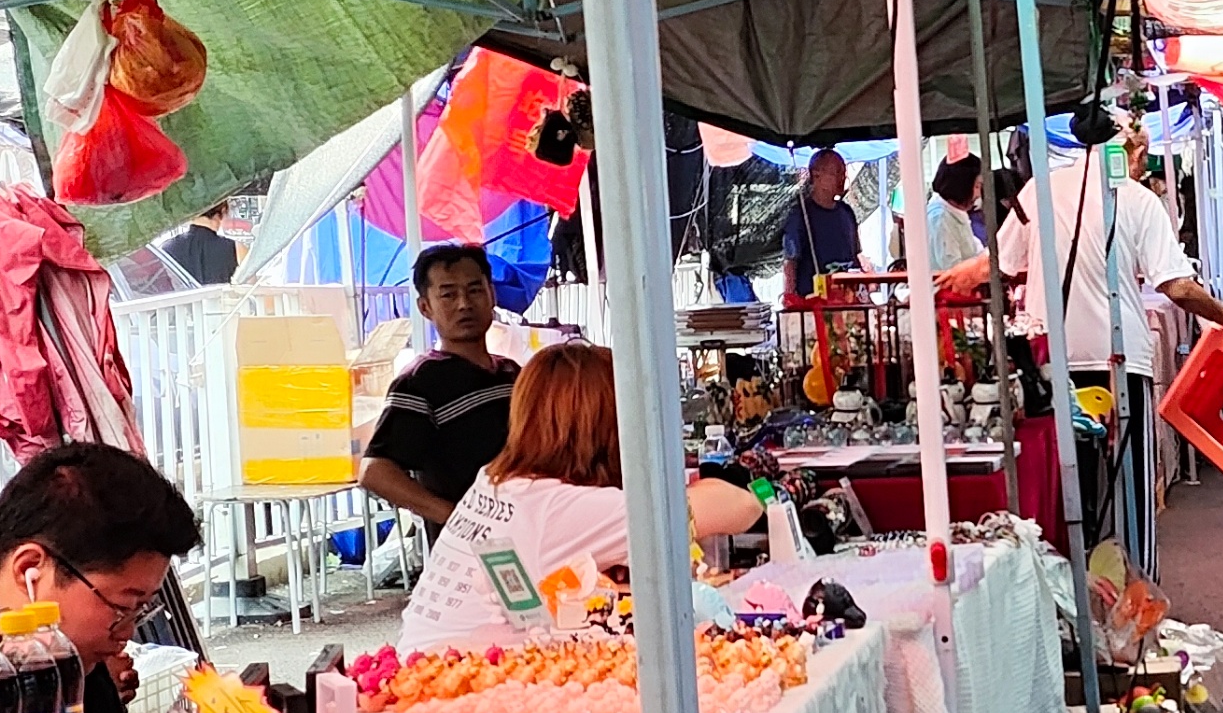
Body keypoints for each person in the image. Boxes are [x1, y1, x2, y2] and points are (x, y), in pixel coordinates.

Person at [398, 342, 763, 648]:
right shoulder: (559, 507)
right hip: (461, 693)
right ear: (606, 425)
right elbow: (741, 506)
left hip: (419, 670)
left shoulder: (496, 480)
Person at [993, 106, 1223, 531]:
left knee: (1068, 484)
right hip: (1118, 359)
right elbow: (1176, 285)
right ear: (1129, 147)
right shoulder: (1137, 198)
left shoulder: (1040, 189)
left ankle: (1077, 572)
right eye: (1143, 153)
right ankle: (1131, 578)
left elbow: (1002, 263)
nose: (1144, 164)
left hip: (1049, 360)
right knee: (1128, 484)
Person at [0, 439, 203, 713]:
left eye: (139, 610)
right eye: (120, 606)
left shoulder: (82, 673)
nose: (127, 633)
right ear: (30, 570)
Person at [361, 243, 514, 534]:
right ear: (425, 307)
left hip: (523, 532)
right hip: (466, 550)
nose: (464, 304)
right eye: (448, 294)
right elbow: (375, 471)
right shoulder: (419, 383)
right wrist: (454, 516)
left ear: (492, 295)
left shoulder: (511, 373)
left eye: (474, 290)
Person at [779, 149, 868, 299]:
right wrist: (790, 297)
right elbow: (791, 262)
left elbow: (856, 255)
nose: (842, 178)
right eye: (837, 173)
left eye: (844, 173)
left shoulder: (847, 212)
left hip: (847, 299)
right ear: (816, 175)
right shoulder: (800, 215)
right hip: (813, 299)